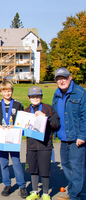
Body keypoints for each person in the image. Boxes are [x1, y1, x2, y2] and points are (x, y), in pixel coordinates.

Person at [52, 68, 86, 200]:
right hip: (63, 138)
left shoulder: (81, 93)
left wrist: (82, 136)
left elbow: (85, 116)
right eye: (58, 78)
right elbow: (55, 116)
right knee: (67, 167)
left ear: (70, 78)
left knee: (78, 169)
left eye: (64, 77)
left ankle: (77, 196)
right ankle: (73, 192)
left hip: (77, 138)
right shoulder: (57, 94)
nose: (61, 81)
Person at [0, 80, 28, 198]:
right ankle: (7, 184)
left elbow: (22, 119)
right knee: (4, 162)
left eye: (9, 91)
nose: (7, 93)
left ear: (12, 91)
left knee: (16, 162)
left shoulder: (18, 104)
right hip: (1, 136)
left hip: (13, 136)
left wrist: (15, 125)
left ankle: (22, 186)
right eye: (5, 91)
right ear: (1, 92)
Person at [23, 86, 60, 200]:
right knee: (33, 169)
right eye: (33, 96)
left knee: (44, 169)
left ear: (41, 97)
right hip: (31, 145)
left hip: (45, 144)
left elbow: (56, 124)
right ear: (29, 98)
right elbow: (21, 128)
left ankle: (45, 193)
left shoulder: (48, 109)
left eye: (38, 96)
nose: (35, 98)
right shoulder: (26, 111)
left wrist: (46, 118)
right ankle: (35, 192)